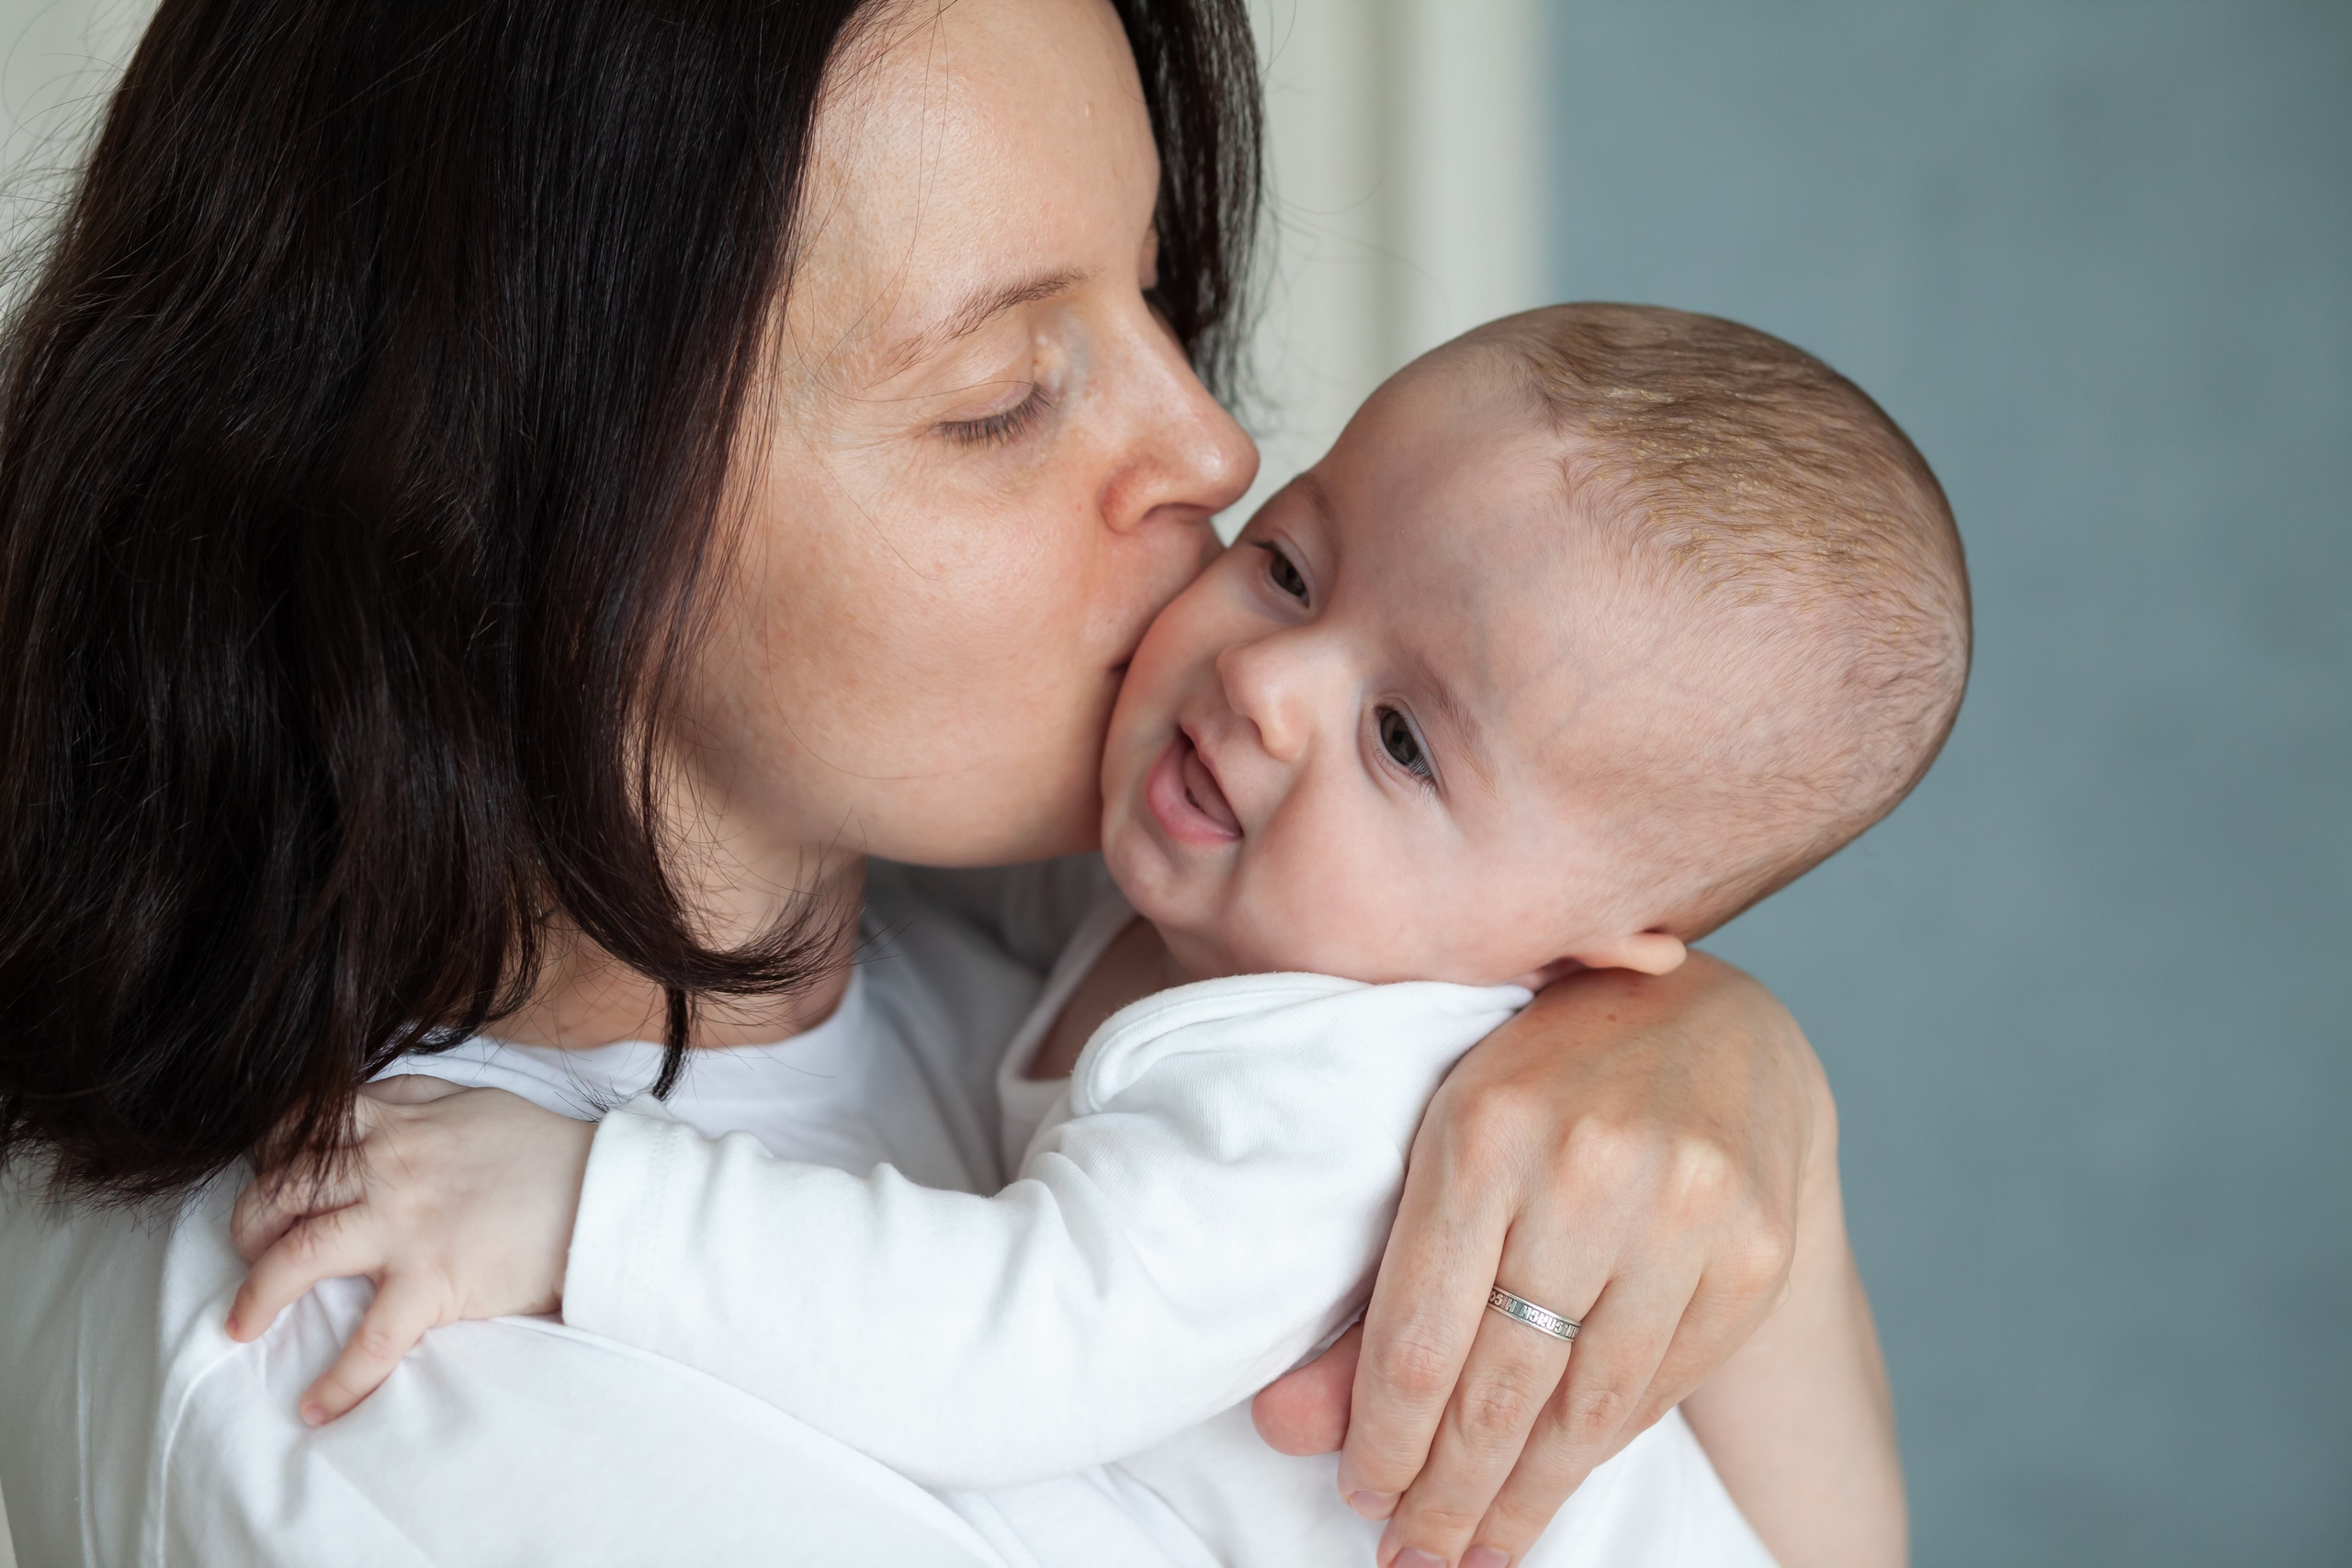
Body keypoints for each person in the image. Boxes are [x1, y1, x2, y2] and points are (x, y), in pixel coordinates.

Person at [0, 2, 1836, 1564]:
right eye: (1003, 396)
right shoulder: (378, 1365)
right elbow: (1027, 1326)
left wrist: (1701, 1055)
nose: (1212, 443)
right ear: (512, 494)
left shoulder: (1041, 927)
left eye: (1152, 291)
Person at [235, 303, 1951, 1568]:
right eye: (1290, 563)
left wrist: (578, 1205)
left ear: (1603, 945)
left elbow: (1009, 1341)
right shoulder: (1204, 901)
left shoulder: (1339, 1107)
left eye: (1408, 740)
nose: (1268, 686)